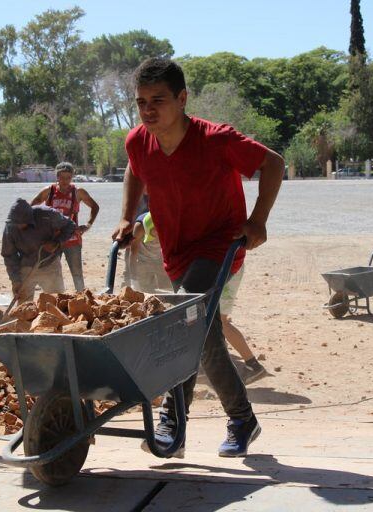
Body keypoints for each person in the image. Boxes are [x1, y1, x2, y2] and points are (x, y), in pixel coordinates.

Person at [112, 57, 284, 458]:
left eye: (158, 100)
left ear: (183, 98)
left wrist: (257, 221)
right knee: (203, 336)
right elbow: (134, 170)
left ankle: (174, 420)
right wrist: (125, 215)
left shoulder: (215, 140)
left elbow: (273, 163)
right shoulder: (138, 140)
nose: (149, 110)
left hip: (219, 245)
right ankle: (242, 418)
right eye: (141, 102)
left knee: (185, 323)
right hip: (177, 252)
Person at [31, 162, 99, 292]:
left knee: (77, 272)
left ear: (72, 177)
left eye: (68, 178)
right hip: (52, 240)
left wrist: (87, 225)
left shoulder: (78, 192)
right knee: (51, 271)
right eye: (62, 177)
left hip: (72, 239)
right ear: (57, 177)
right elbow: (32, 207)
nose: (65, 181)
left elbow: (95, 207)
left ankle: (81, 297)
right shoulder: (49, 191)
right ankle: (55, 297)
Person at [1, 198, 76, 302]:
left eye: (21, 223)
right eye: (16, 223)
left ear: (29, 218)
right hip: (26, 265)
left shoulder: (47, 214)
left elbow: (70, 225)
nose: (18, 226)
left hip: (50, 263)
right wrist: (15, 280)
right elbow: (9, 255)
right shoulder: (10, 227)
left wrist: (56, 242)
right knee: (24, 306)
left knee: (57, 301)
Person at [219, 265, 267, 385]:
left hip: (224, 269)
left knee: (219, 322)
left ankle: (253, 365)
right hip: (227, 268)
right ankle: (252, 365)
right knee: (218, 322)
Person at [129, 212, 172, 293]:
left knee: (168, 289)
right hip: (142, 260)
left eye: (160, 234)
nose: (156, 238)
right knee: (144, 290)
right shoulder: (139, 227)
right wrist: (133, 280)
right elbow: (133, 253)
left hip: (161, 259)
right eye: (154, 234)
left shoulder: (168, 225)